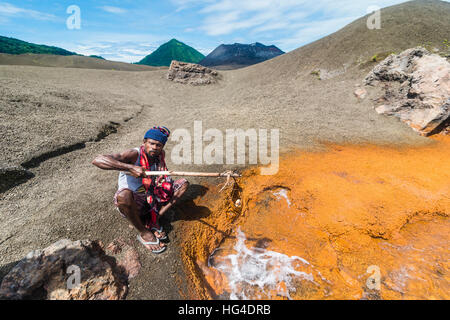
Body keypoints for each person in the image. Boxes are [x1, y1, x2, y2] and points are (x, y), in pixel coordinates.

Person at [92, 126, 189, 254]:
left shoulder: (160, 155)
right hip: (135, 201)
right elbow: (97, 160)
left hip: (152, 196)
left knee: (183, 184)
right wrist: (130, 167)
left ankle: (155, 220)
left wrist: (162, 180)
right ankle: (144, 232)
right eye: (151, 143)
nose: (154, 147)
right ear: (144, 142)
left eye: (158, 145)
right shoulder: (133, 154)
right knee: (123, 196)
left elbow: (161, 177)